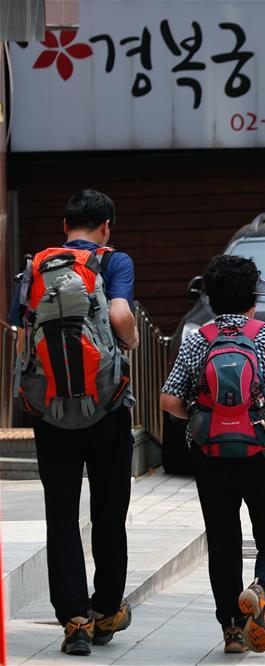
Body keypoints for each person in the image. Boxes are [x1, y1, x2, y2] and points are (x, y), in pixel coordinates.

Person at [160, 254, 265, 654]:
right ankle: (263, 591)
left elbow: (169, 400)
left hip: (210, 452)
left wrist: (202, 418)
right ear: (253, 298)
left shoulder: (199, 338)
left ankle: (232, 631)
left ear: (210, 298)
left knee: (223, 540)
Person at [8, 190, 139, 655]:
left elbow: (22, 334)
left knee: (61, 514)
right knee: (109, 511)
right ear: (106, 226)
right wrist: (130, 341)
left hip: (50, 409)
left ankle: (74, 621)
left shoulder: (36, 267)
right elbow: (120, 314)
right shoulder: (114, 261)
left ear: (65, 226)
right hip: (106, 407)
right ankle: (105, 610)